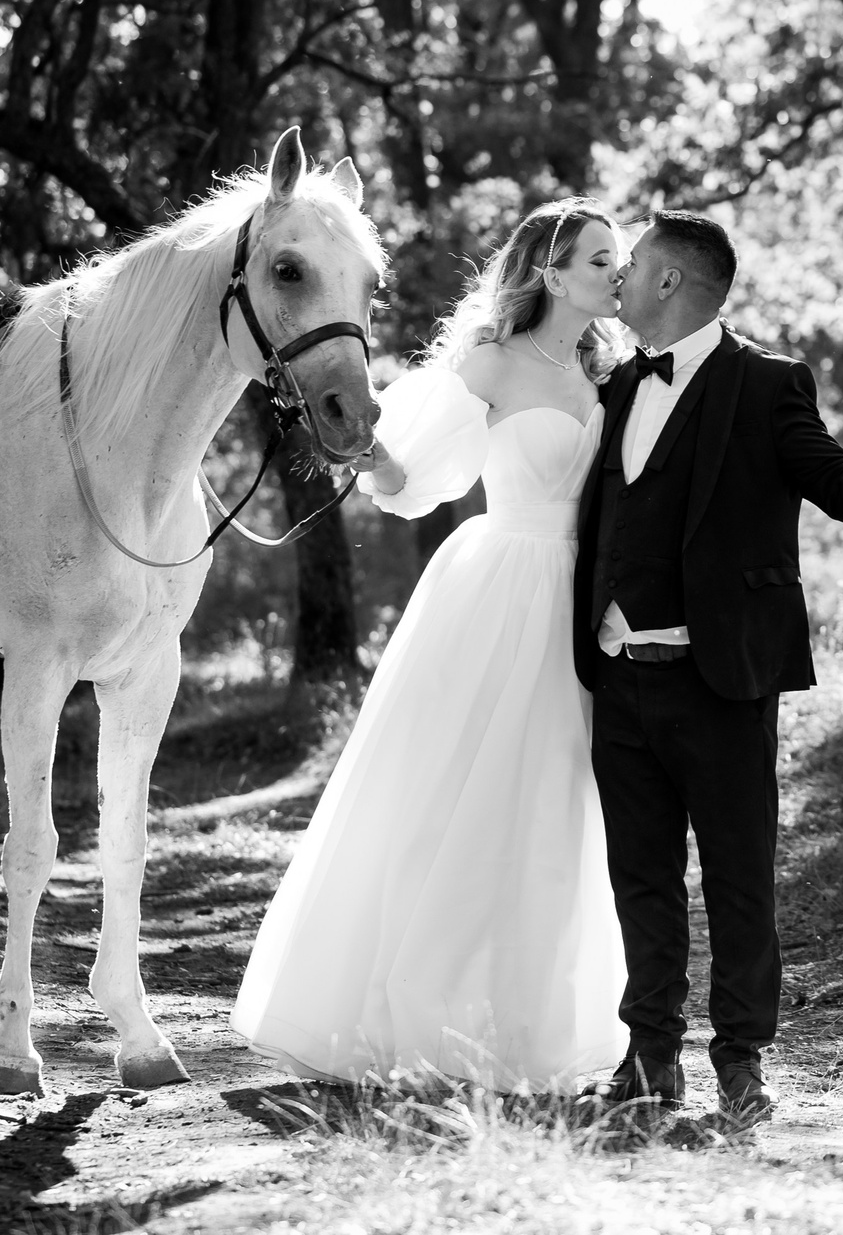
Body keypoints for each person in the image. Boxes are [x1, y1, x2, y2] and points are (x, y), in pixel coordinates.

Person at [230, 198, 633, 1092]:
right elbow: (413, 479)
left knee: (557, 807)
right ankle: (419, 1011)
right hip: (499, 590)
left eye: (622, 256)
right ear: (552, 271)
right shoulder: (488, 362)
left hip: (586, 602)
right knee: (460, 795)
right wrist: (372, 456)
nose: (620, 270)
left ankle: (537, 1021)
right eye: (602, 257)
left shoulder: (617, 370)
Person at [580, 211, 843, 1127]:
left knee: (740, 874)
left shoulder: (766, 381)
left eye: (631, 267)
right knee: (642, 876)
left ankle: (741, 1058)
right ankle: (650, 1057)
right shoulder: (618, 384)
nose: (617, 279)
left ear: (669, 282)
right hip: (620, 674)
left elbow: (830, 477)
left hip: (723, 677)